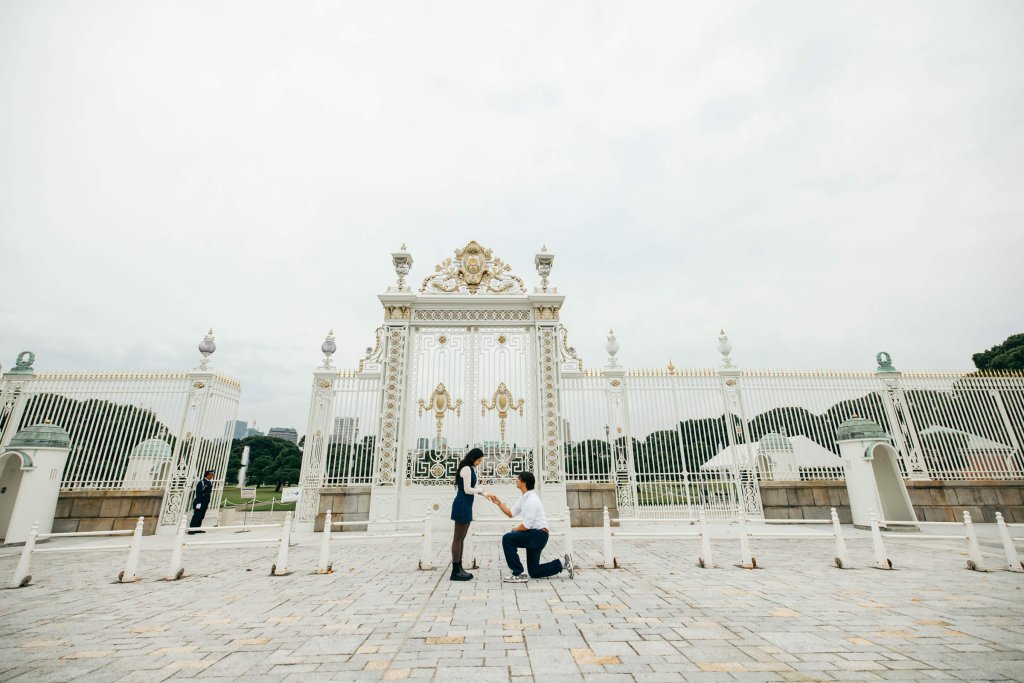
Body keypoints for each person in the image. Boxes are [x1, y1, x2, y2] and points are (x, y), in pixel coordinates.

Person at [487, 471, 574, 583]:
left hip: (538, 535)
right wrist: (499, 503)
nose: (516, 480)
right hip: (535, 534)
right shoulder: (524, 498)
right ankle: (563, 563)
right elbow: (510, 513)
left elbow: (526, 526)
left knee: (508, 538)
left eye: (518, 478)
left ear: (524, 482)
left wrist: (514, 529)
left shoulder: (532, 499)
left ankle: (517, 573)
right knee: (534, 571)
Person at [449, 448, 489, 581]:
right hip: (462, 504)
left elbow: (474, 487)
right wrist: (480, 489)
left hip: (466, 505)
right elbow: (467, 490)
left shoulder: (471, 469)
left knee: (462, 538)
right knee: (457, 539)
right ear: (473, 458)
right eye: (479, 460)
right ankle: (455, 571)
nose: (479, 463)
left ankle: (459, 568)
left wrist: (486, 494)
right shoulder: (466, 469)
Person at [187, 469, 215, 534]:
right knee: (196, 516)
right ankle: (191, 530)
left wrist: (207, 503)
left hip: (205, 502)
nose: (212, 476)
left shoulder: (209, 482)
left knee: (201, 516)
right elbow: (198, 493)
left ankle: (197, 528)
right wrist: (198, 503)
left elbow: (208, 494)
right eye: (211, 475)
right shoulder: (201, 482)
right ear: (208, 475)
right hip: (200, 502)